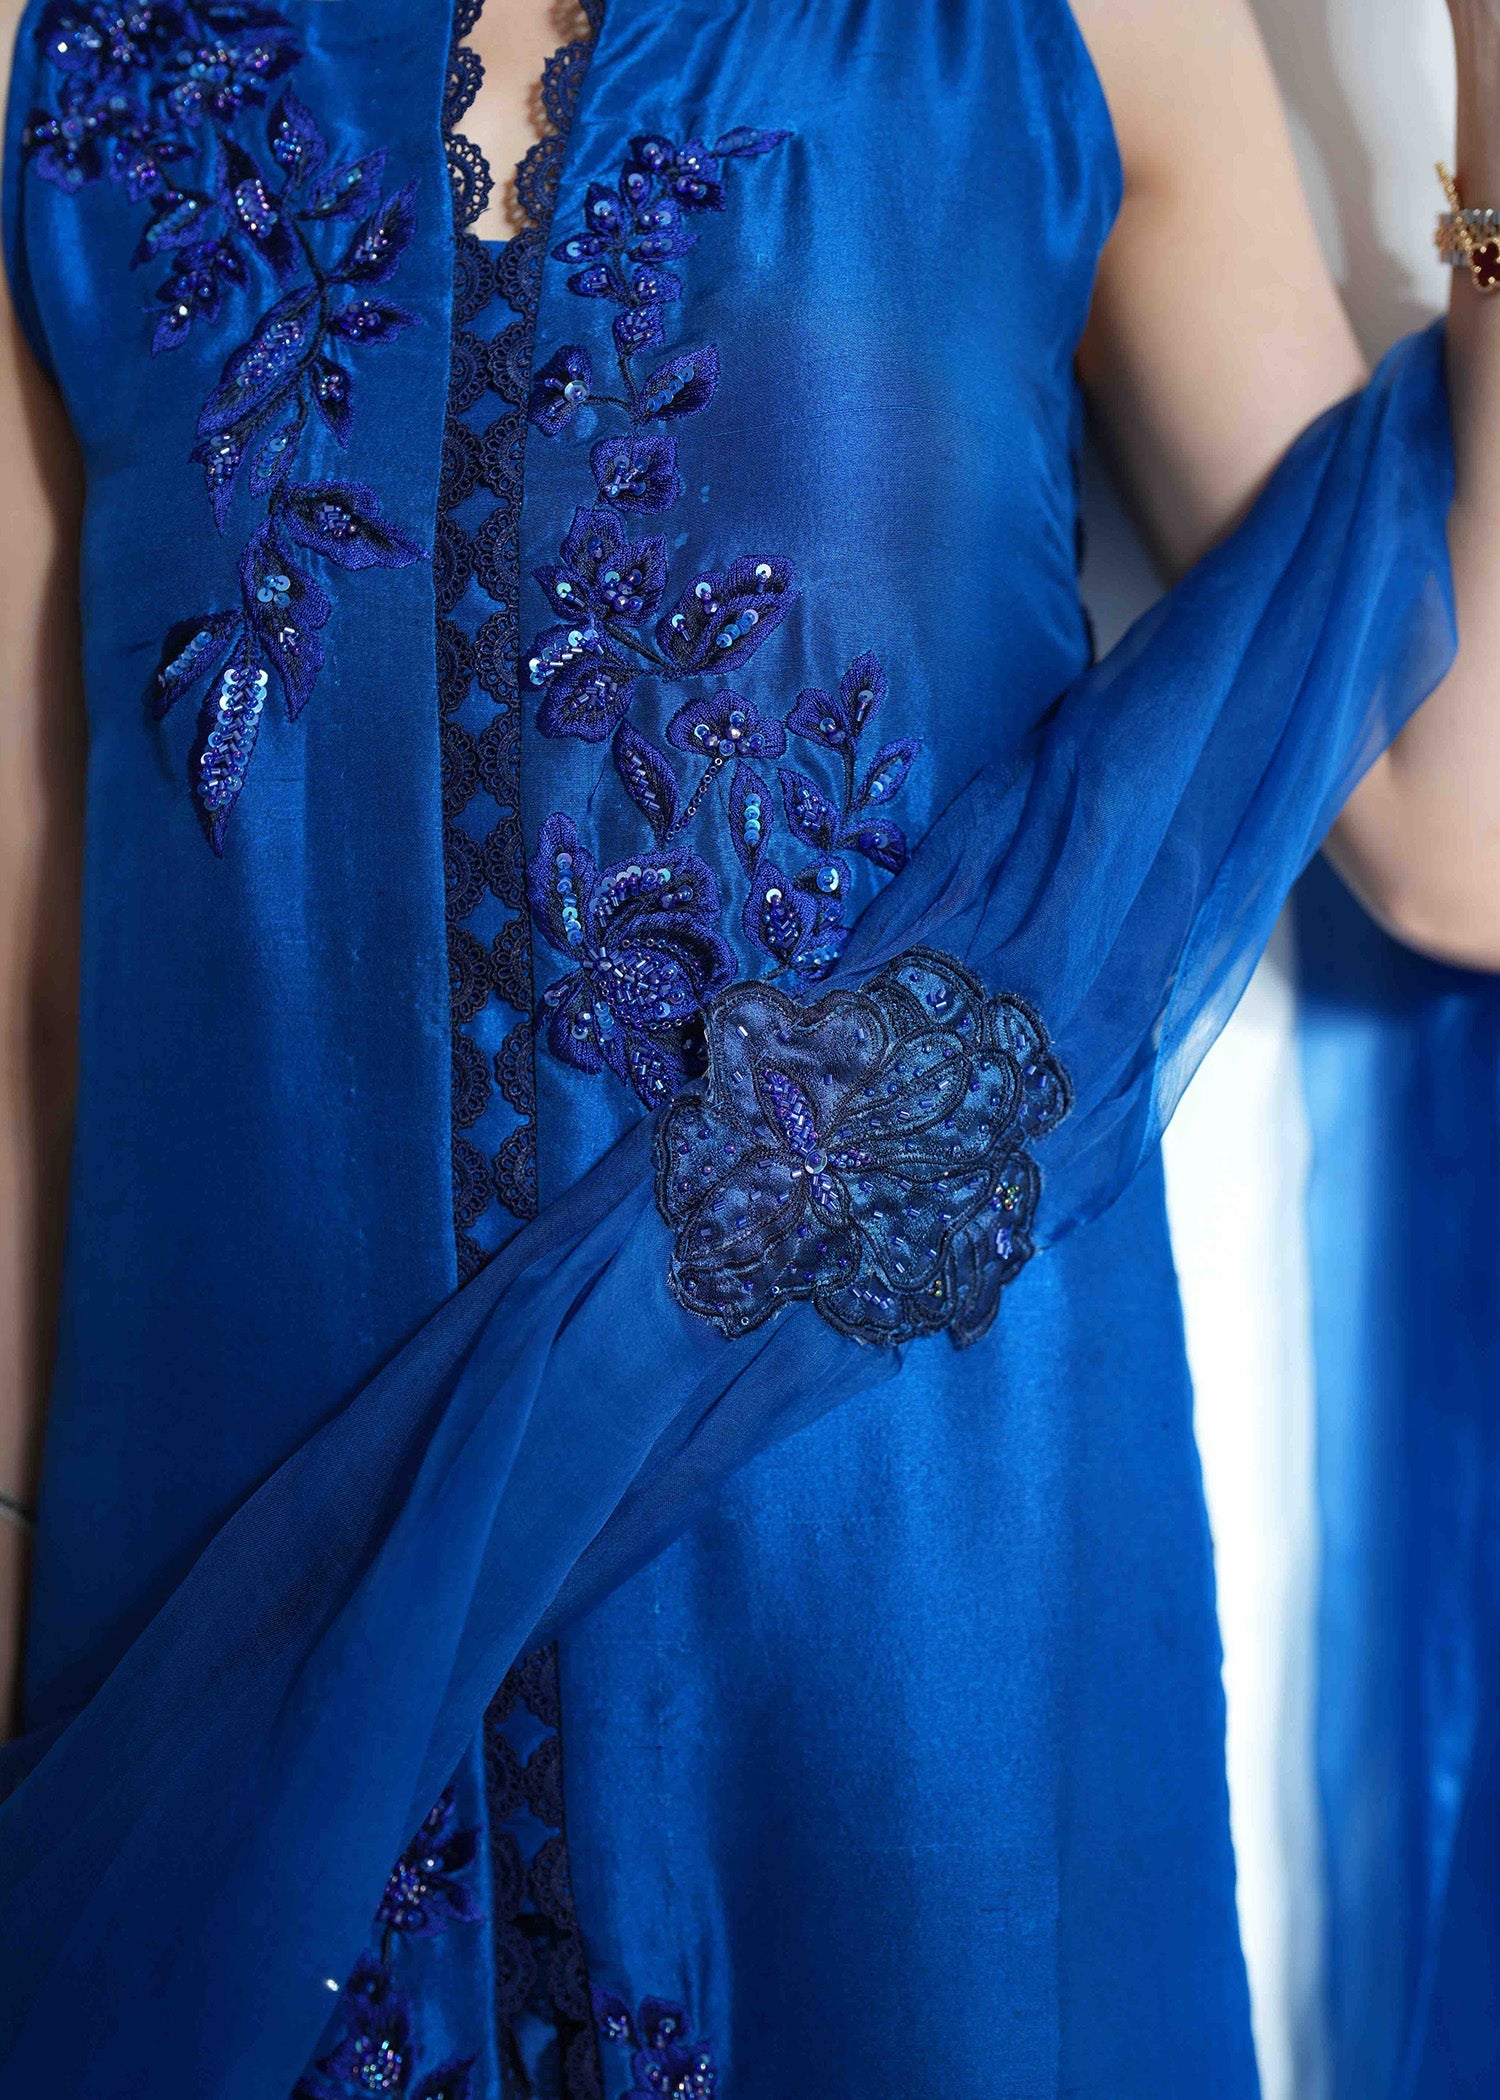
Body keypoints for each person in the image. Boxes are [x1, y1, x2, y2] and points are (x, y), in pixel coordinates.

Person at [0, 0, 1493, 2093]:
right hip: (235, 1657)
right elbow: (39, 993)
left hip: (900, 1666)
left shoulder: (1079, 27)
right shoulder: (80, 61)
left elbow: (1454, 830)